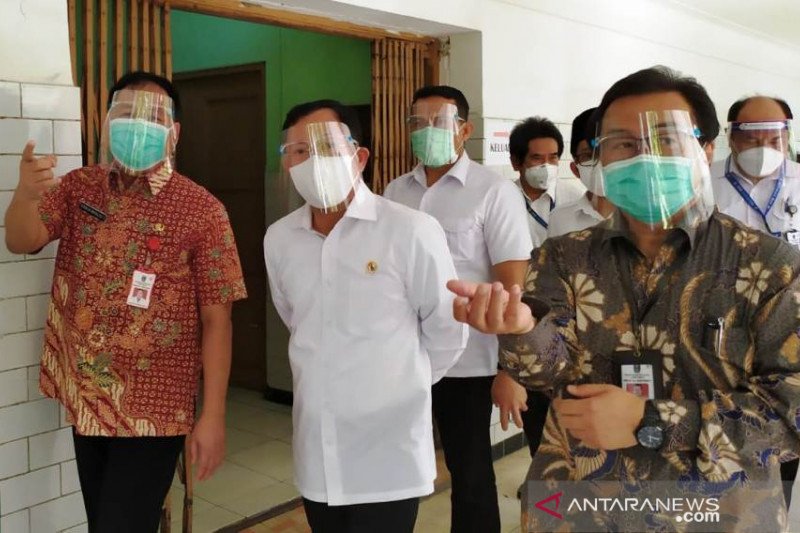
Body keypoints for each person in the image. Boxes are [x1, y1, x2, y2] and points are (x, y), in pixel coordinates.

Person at [448, 66, 800, 532]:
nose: (645, 157)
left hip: (716, 512)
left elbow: (791, 412)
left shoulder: (772, 267)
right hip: (581, 503)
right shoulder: (563, 256)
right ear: (601, 158)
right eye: (623, 143)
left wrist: (651, 420)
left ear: (707, 149)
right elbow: (549, 373)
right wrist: (522, 332)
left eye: (666, 139)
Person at [3, 71, 247, 532]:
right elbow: (22, 239)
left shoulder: (203, 210)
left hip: (155, 408)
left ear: (174, 132)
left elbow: (219, 320)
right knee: (103, 521)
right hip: (87, 393)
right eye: (126, 112)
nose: (137, 125)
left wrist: (213, 414)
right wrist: (25, 195)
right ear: (107, 121)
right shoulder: (79, 187)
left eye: (152, 117)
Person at [263, 100, 467, 533]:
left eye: (326, 147)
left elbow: (447, 330)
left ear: (358, 156)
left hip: (388, 454)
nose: (311, 160)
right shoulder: (279, 239)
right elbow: (298, 321)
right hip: (317, 451)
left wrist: (396, 380)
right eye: (298, 151)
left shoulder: (409, 229)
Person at [384, 85, 532, 533]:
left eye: (439, 121)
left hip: (469, 363)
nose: (426, 130)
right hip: (404, 357)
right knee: (398, 466)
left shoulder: (493, 191)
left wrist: (511, 369)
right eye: (417, 122)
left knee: (469, 473)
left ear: (464, 130)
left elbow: (513, 288)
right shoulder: (395, 191)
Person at [710, 95, 800, 507]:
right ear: (731, 137)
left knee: (782, 431)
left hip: (789, 335)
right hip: (719, 331)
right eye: (752, 137)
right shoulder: (704, 182)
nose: (764, 147)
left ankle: (775, 511)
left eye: (774, 137)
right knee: (724, 428)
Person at [509, 117, 586, 246]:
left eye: (553, 158)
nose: (546, 166)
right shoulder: (503, 198)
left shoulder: (576, 199)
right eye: (537, 158)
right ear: (516, 162)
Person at [547, 107, 615, 235]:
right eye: (588, 155)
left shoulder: (646, 217)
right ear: (575, 169)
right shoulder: (560, 219)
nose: (601, 163)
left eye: (610, 151)